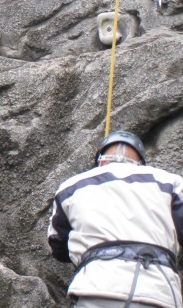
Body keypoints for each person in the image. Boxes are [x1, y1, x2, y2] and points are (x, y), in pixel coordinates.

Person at [48, 131, 183, 308]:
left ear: (100, 161)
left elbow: (57, 245)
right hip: (157, 291)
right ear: (141, 162)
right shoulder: (171, 183)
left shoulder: (71, 187)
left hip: (94, 289)